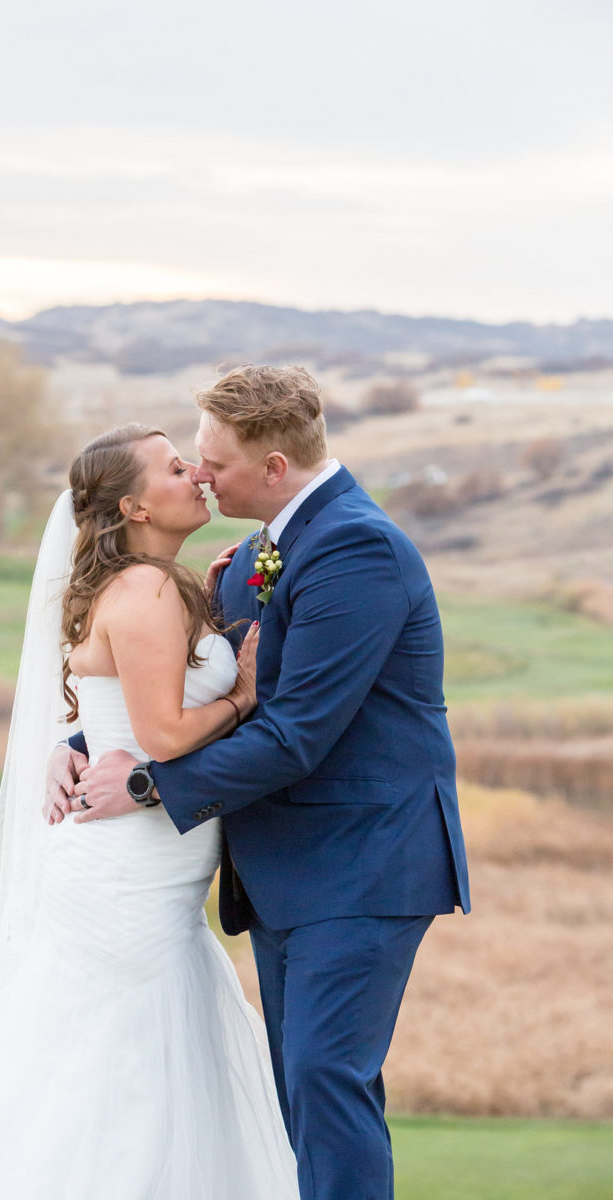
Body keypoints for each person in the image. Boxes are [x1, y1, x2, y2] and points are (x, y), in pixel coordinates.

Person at [0, 424, 299, 1199]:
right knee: (118, 1083)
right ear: (136, 504)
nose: (197, 475)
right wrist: (242, 695)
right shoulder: (141, 591)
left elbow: (122, 711)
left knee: (131, 1074)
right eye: (177, 468)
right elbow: (163, 734)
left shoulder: (161, 583)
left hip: (153, 877)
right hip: (126, 876)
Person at [51, 366, 471, 1200]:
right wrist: (81, 741)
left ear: (274, 468)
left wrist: (144, 787)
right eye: (190, 461)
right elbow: (183, 691)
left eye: (212, 459)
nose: (201, 474)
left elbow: (296, 733)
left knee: (323, 1079)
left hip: (363, 859)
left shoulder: (358, 549)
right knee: (299, 1093)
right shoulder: (250, 557)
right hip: (282, 871)